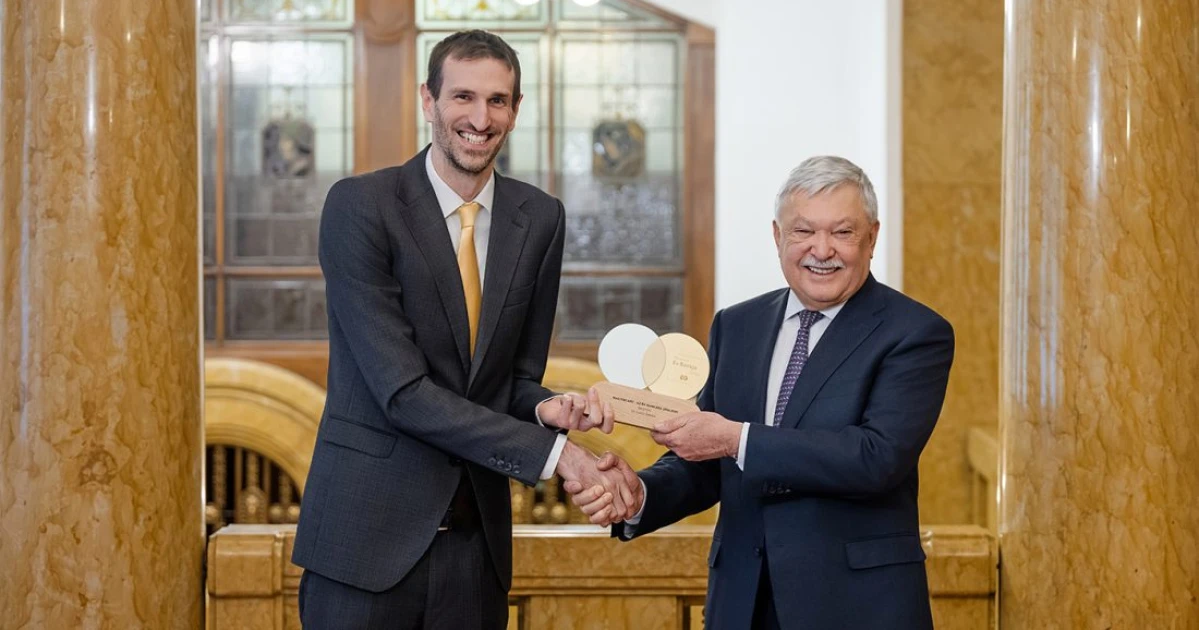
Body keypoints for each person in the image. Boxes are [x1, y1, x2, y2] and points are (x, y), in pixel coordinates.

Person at [292, 30, 638, 629]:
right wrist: (560, 456)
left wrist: (546, 409)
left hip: (476, 550)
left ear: (516, 109)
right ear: (428, 100)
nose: (481, 119)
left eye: (497, 100)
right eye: (463, 97)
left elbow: (514, 378)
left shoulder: (541, 218)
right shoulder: (361, 206)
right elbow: (402, 392)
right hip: (364, 544)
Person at [570, 156, 955, 630]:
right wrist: (642, 492)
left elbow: (877, 458)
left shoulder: (915, 332)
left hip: (856, 607)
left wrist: (736, 439)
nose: (821, 250)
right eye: (803, 231)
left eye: (842, 232)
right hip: (742, 603)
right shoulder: (737, 325)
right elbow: (709, 462)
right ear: (777, 236)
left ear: (871, 238)